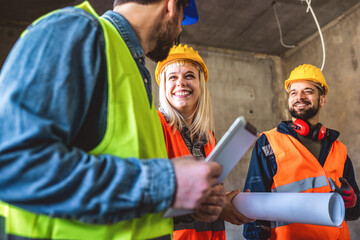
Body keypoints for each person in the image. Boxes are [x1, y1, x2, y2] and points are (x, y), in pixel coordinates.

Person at [0, 0, 224, 239]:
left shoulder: (135, 75)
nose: (180, 29)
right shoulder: (76, 30)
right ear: (170, 6)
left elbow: (125, 202)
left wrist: (184, 200)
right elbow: (13, 163)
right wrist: (165, 183)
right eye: (182, 18)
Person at [243, 64, 360, 240]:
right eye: (293, 92)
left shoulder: (339, 149)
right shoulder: (268, 143)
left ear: (322, 100)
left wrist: (351, 202)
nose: (299, 97)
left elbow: (353, 212)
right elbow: (253, 213)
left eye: (308, 91)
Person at [155, 44, 253, 240]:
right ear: (163, 86)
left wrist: (229, 203)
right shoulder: (154, 124)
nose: (181, 83)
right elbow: (154, 192)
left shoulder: (207, 137)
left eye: (189, 76)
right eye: (172, 77)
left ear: (200, 84)